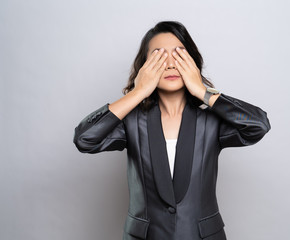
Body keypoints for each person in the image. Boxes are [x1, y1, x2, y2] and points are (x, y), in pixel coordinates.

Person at [73, 20, 271, 240]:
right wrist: (137, 92)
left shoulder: (211, 120)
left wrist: (203, 91)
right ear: (145, 67)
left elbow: (257, 125)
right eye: (158, 56)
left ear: (192, 63)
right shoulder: (131, 122)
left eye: (178, 55)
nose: (169, 64)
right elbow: (84, 138)